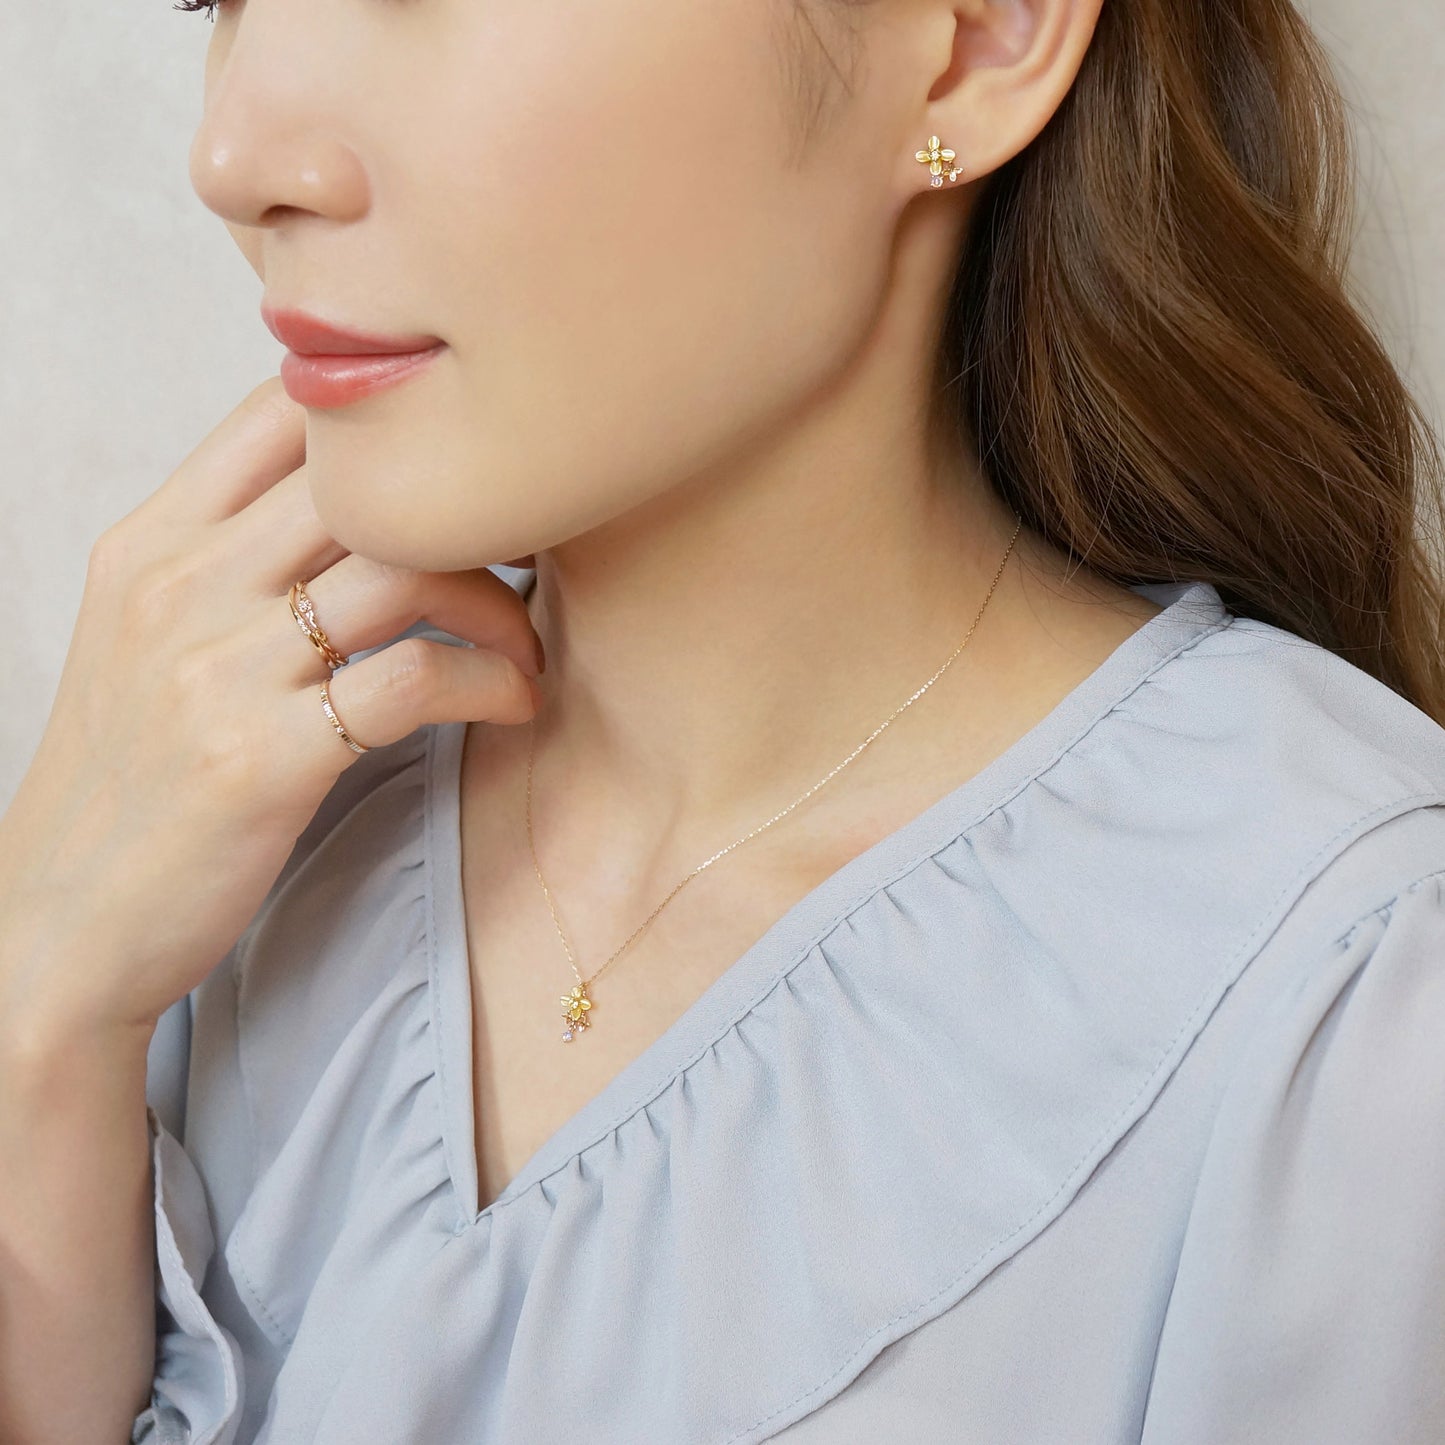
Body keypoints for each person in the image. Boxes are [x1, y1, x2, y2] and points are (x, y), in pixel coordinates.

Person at [2, 0, 1444, 1440]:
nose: (233, 156)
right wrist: (41, 998)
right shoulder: (218, 803)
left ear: (971, 41)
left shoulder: (1347, 1006)